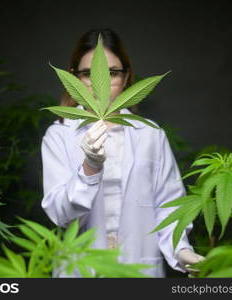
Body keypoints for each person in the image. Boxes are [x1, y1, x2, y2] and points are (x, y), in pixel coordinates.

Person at [41, 28, 204, 278]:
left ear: (127, 77)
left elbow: (169, 206)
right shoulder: (59, 134)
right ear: (73, 79)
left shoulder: (150, 133)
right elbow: (60, 214)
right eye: (88, 74)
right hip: (81, 270)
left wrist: (181, 250)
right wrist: (90, 168)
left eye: (112, 73)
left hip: (139, 268)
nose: (100, 84)